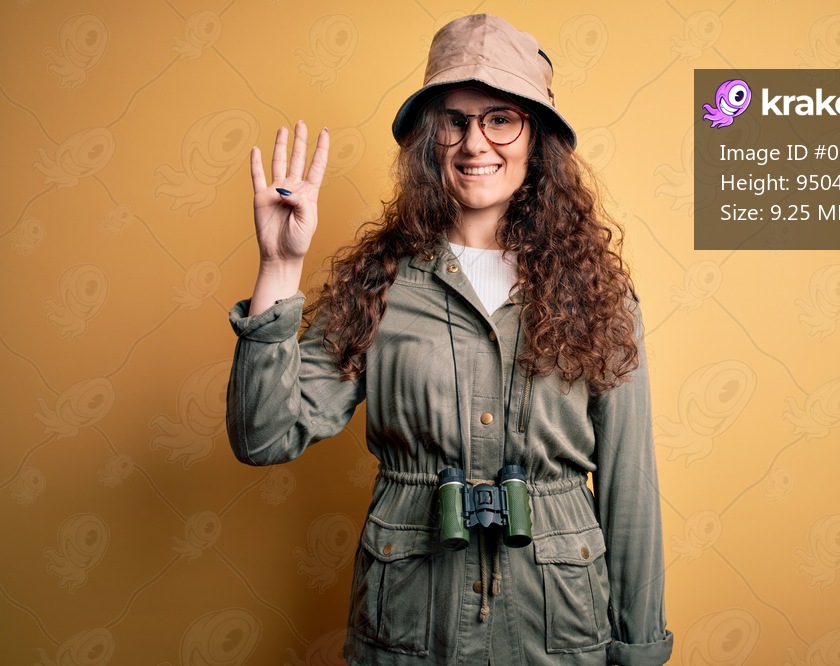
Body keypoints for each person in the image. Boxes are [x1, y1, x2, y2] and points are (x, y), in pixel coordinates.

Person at [227, 14, 673, 666]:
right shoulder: (376, 283)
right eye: (453, 120)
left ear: (535, 137)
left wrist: (637, 651)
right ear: (427, 141)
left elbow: (630, 488)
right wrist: (279, 268)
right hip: (409, 627)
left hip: (559, 629)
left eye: (500, 118)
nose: (474, 143)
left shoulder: (599, 295)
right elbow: (262, 437)